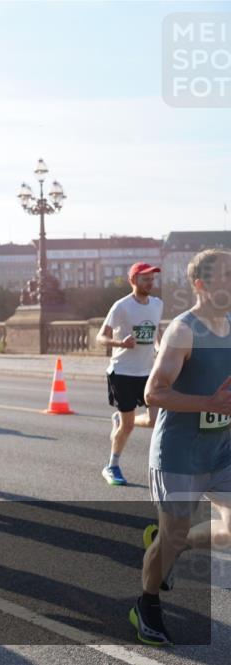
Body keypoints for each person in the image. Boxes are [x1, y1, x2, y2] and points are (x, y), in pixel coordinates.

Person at [131, 249, 231, 646]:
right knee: (170, 538)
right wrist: (206, 403)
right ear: (202, 285)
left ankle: (178, 540)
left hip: (222, 448)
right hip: (180, 452)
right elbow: (153, 392)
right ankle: (147, 602)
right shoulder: (183, 330)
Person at [96, 263, 164, 486]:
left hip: (147, 372)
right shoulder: (121, 306)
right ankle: (112, 466)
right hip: (122, 372)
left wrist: (159, 347)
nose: (150, 283)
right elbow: (101, 337)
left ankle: (121, 419)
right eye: (145, 279)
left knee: (155, 420)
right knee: (128, 427)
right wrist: (120, 342)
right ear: (133, 280)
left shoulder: (157, 304)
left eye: (152, 279)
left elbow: (156, 330)